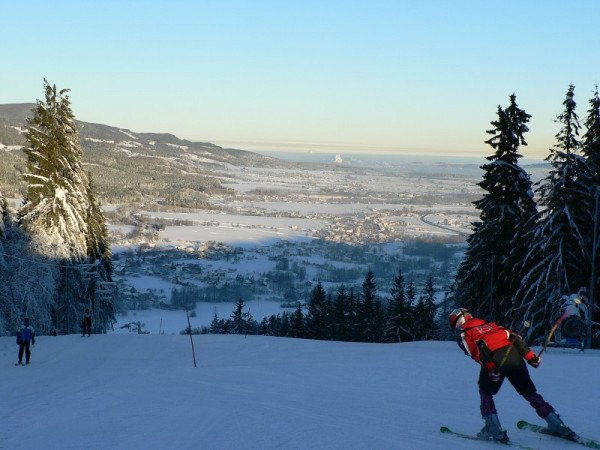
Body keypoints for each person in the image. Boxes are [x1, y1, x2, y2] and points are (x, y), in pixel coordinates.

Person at [449, 307, 575, 442]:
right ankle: (557, 424)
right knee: (529, 392)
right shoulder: (492, 326)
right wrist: (531, 358)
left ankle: (493, 428)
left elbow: (476, 354)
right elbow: (516, 339)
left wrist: (491, 369)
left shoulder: (465, 333)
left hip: (493, 359)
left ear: (459, 322)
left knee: (485, 392)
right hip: (514, 356)